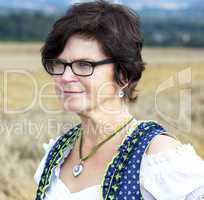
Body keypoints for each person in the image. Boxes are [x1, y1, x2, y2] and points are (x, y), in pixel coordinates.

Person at [33, 1, 204, 199]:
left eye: (83, 65)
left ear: (123, 75)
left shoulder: (157, 156)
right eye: (60, 64)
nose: (65, 77)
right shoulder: (56, 155)